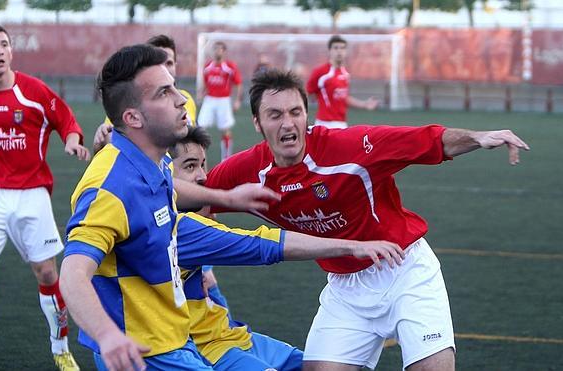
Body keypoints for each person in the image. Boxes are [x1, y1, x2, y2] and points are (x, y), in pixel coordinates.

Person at [59, 44, 405, 371]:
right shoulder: (108, 187)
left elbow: (250, 238)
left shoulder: (152, 164)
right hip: (146, 355)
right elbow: (72, 273)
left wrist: (225, 198)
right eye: (164, 93)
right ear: (133, 117)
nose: (182, 99)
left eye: (174, 87)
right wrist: (107, 336)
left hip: (175, 343)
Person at [204, 69, 531, 371]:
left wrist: (477, 137)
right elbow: (195, 204)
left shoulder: (348, 146)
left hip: (405, 272)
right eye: (275, 115)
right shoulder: (244, 171)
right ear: (258, 123)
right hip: (345, 290)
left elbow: (422, 140)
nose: (287, 123)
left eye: (295, 112)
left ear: (307, 116)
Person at [0, 24, 89, 371]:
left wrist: (72, 141)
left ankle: (61, 349)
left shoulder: (33, 91)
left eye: (5, 45)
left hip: (31, 195)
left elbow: (66, 121)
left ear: (11, 52)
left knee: (47, 274)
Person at [91, 33, 231, 310]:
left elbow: (193, 153)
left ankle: (218, 324)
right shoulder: (129, 109)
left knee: (206, 288)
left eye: (170, 61)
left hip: (179, 201)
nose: (166, 67)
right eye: (159, 61)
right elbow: (110, 151)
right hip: (152, 209)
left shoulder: (186, 101)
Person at [169, 125, 303, 371]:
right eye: (190, 166)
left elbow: (208, 281)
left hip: (232, 335)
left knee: (318, 365)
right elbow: (261, 245)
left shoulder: (197, 213)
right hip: (206, 348)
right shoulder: (177, 228)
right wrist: (352, 247)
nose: (202, 175)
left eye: (202, 165)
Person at [92, 34, 197, 153]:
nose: (182, 100)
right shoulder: (127, 107)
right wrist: (102, 143)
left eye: (169, 63)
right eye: (163, 93)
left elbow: (197, 144)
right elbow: (111, 139)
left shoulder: (187, 98)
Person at [306, 35, 379, 129]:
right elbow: (307, 94)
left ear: (346, 51)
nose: (339, 51)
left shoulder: (345, 74)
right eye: (336, 48)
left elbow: (344, 98)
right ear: (330, 51)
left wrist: (364, 104)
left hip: (342, 124)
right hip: (324, 124)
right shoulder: (321, 72)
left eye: (342, 48)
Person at [197, 41, 243, 161]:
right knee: (200, 127)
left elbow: (238, 83)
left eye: (219, 49)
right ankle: (200, 156)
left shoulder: (229, 67)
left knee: (225, 129)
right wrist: (201, 93)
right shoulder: (208, 66)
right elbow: (206, 83)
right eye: (215, 49)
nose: (217, 51)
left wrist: (237, 100)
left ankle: (226, 158)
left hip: (224, 100)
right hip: (210, 99)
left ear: (224, 51)